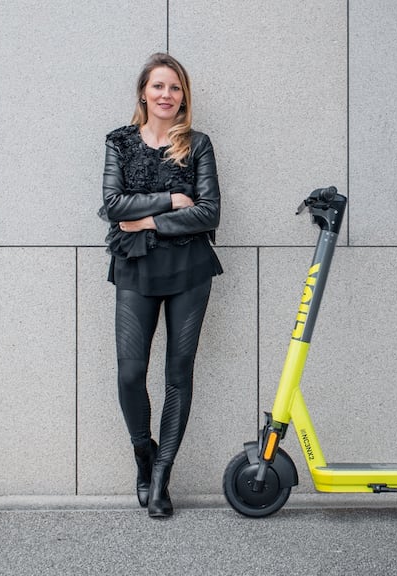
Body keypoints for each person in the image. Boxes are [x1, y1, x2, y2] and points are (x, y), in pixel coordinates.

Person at [99, 52, 222, 518]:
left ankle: (162, 477)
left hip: (190, 270)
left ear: (183, 96)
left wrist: (147, 217)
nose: (166, 95)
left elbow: (210, 213)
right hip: (134, 269)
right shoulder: (120, 142)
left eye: (175, 88)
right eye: (158, 87)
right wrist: (172, 199)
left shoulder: (199, 144)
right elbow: (113, 204)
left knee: (177, 376)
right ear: (143, 93)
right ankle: (143, 454)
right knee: (131, 373)